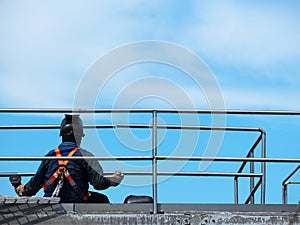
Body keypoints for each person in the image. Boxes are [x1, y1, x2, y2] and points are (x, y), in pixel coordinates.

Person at [14, 114, 124, 203]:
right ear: (80, 135)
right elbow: (99, 183)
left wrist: (19, 186)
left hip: (51, 203)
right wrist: (113, 180)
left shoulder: (50, 156)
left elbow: (31, 188)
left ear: (61, 135)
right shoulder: (85, 156)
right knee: (102, 200)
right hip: (77, 202)